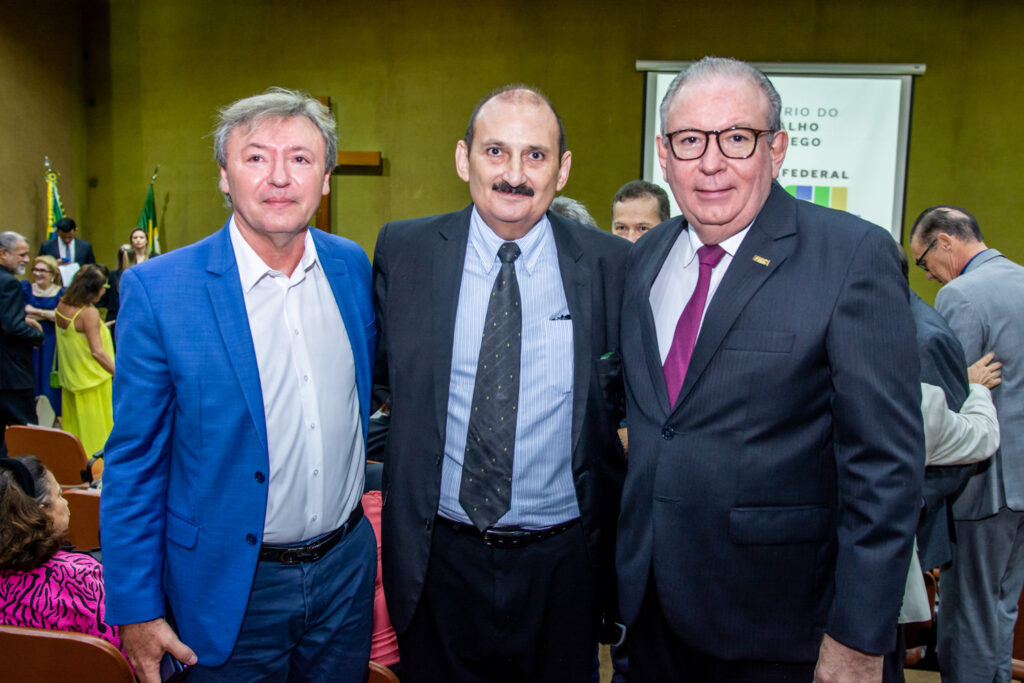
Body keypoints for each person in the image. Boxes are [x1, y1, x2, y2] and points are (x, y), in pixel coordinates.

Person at [617, 57, 923, 681]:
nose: (711, 162)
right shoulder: (646, 256)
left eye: (737, 138)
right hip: (648, 619)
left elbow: (885, 469)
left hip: (783, 632)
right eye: (690, 140)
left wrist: (859, 638)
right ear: (663, 153)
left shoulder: (851, 256)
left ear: (777, 148)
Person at [100, 87, 376, 683]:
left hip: (344, 575)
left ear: (326, 177)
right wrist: (137, 607)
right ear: (224, 176)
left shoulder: (351, 266)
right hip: (229, 587)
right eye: (255, 158)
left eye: (300, 159)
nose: (279, 177)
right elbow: (134, 463)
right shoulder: (160, 290)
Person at [373, 84, 629, 682]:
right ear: (464, 159)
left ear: (562, 170)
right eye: (496, 152)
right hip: (440, 558)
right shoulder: (404, 252)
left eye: (535, 156)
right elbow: (384, 381)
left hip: (564, 564)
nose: (515, 174)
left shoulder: (610, 264)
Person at [908, 205, 1024, 682]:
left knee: (969, 615)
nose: (930, 277)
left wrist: (969, 382)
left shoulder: (962, 295)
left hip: (985, 485)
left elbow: (946, 400)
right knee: (1000, 610)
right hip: (1020, 488)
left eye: (923, 263)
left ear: (945, 243)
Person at [0, 455, 125, 658]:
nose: (66, 502)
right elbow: (127, 656)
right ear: (43, 513)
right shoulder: (83, 578)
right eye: (59, 495)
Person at [54, 265, 114, 456]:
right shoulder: (89, 313)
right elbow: (97, 352)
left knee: (74, 435)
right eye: (102, 287)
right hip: (92, 382)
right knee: (96, 436)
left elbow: (77, 337)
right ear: (91, 290)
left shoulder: (62, 304)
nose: (104, 291)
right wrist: (120, 373)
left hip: (71, 380)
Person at [0, 232, 44, 435]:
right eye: (22, 255)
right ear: (3, 254)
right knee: (26, 433)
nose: (26, 260)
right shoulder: (9, 283)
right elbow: (12, 326)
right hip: (12, 374)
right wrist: (36, 335)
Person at [22, 255, 64, 418]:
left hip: (51, 341)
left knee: (48, 379)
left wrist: (35, 311)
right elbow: (22, 311)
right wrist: (47, 314)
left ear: (53, 274)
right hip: (30, 341)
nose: (37, 274)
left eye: (42, 270)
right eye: (35, 270)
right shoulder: (25, 288)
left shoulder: (61, 292)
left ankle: (52, 418)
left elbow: (58, 316)